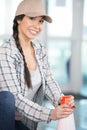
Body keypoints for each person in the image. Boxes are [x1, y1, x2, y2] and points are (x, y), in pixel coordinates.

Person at [0, 0, 75, 130]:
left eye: (40, 21)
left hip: (23, 120)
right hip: (4, 119)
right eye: (32, 18)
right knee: (7, 98)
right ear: (19, 19)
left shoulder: (39, 49)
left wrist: (61, 100)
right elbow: (15, 98)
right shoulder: (6, 53)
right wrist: (50, 113)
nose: (37, 25)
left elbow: (49, 80)